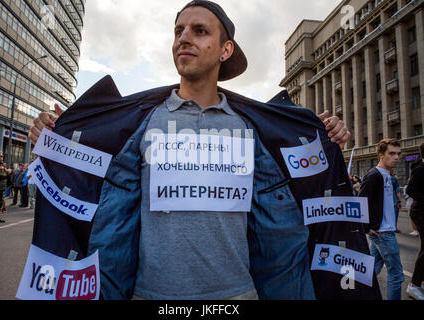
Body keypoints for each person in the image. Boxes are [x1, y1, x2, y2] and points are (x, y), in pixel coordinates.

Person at [28, 1, 358, 300]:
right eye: (179, 31)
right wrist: (52, 137)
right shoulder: (143, 123)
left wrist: (327, 141)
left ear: (225, 49)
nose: (184, 38)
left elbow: (302, 195)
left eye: (199, 31)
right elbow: (89, 178)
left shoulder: (251, 129)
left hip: (237, 297)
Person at [358, 139, 405, 300]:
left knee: (371, 271)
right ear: (381, 155)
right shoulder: (374, 175)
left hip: (383, 230)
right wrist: (366, 228)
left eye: (399, 154)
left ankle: (355, 294)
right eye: (392, 153)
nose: (397, 157)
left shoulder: (388, 176)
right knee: (397, 275)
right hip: (383, 233)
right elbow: (360, 202)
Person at [405, 143, 424, 300]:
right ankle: (414, 285)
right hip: (420, 213)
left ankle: (421, 281)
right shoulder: (420, 169)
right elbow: (410, 189)